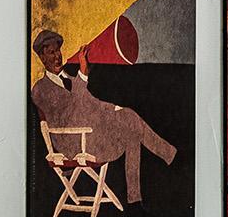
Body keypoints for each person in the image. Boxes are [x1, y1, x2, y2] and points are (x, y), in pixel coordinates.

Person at [30, 27, 176, 205]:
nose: (57, 56)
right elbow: (72, 112)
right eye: (51, 52)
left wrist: (115, 109)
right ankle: (170, 157)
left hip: (90, 135)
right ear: (42, 57)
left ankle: (135, 198)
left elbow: (92, 103)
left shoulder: (69, 79)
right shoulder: (39, 90)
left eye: (58, 51)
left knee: (129, 119)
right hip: (74, 145)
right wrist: (83, 74)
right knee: (132, 127)